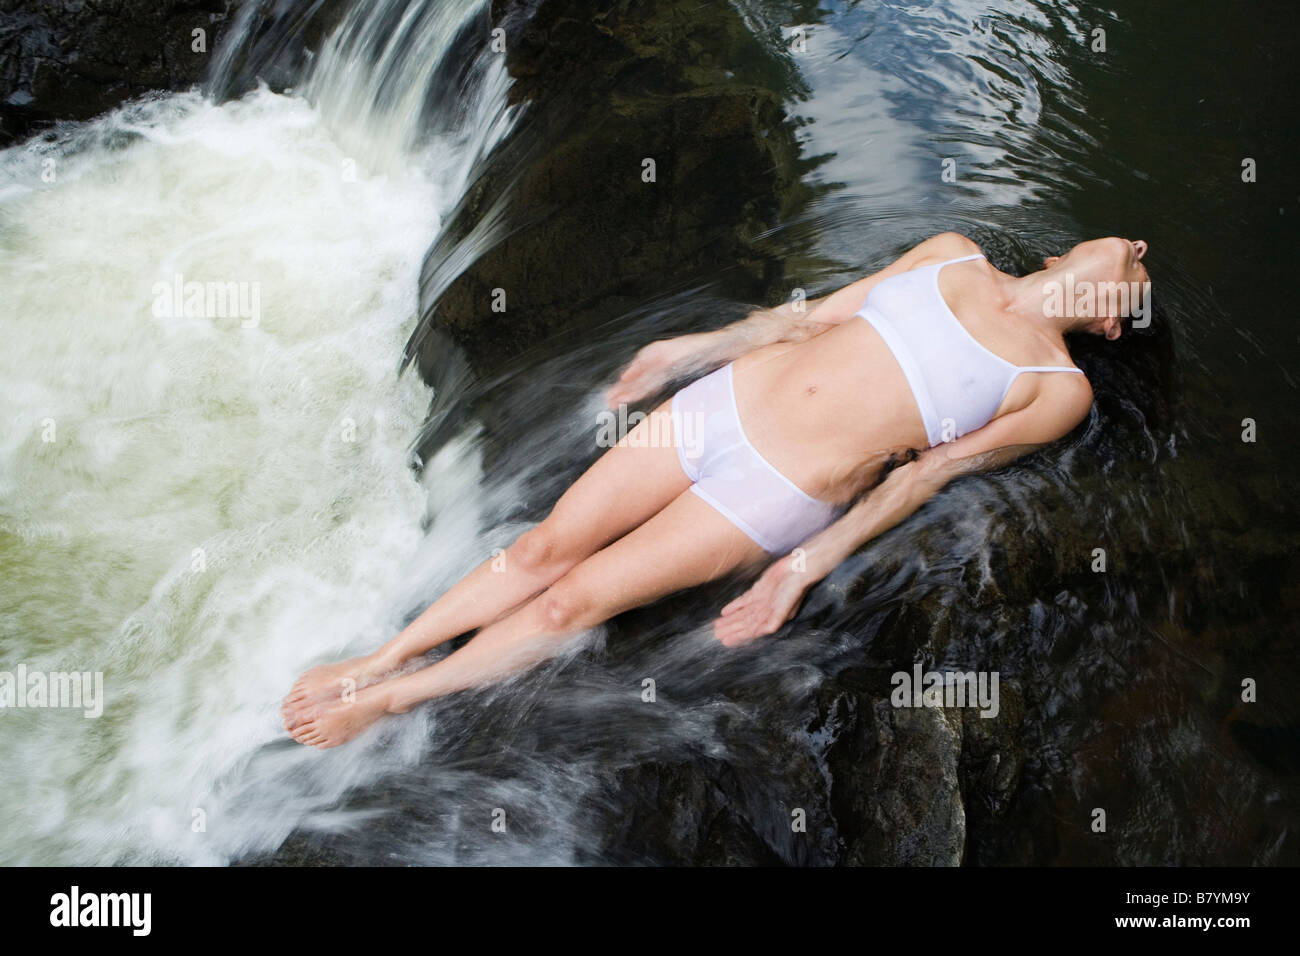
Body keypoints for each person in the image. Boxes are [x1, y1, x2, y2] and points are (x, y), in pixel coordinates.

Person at [281, 231, 1150, 748]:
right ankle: (380, 657)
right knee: (548, 545)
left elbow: (930, 473)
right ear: (1060, 254)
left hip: (777, 490)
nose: (1138, 250)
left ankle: (393, 699)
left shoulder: (1056, 387)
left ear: (1110, 318)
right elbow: (810, 317)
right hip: (722, 402)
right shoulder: (954, 256)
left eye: (1139, 279)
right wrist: (692, 349)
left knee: (567, 604)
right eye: (1130, 246)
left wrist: (803, 566)